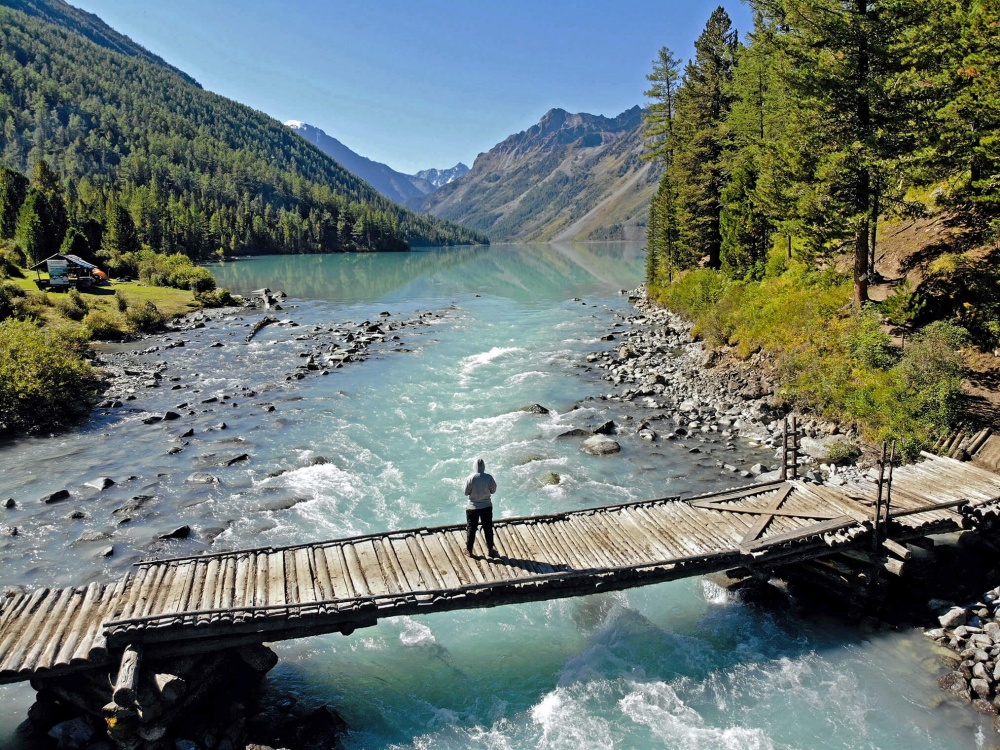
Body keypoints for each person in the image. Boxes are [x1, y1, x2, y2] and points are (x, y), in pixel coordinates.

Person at [464, 457, 498, 558]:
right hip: (486, 506)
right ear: (484, 467)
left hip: (472, 507)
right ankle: (490, 550)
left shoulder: (470, 478)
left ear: (474, 467)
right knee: (488, 528)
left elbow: (466, 492)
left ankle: (469, 550)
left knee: (471, 528)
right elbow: (493, 490)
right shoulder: (489, 477)